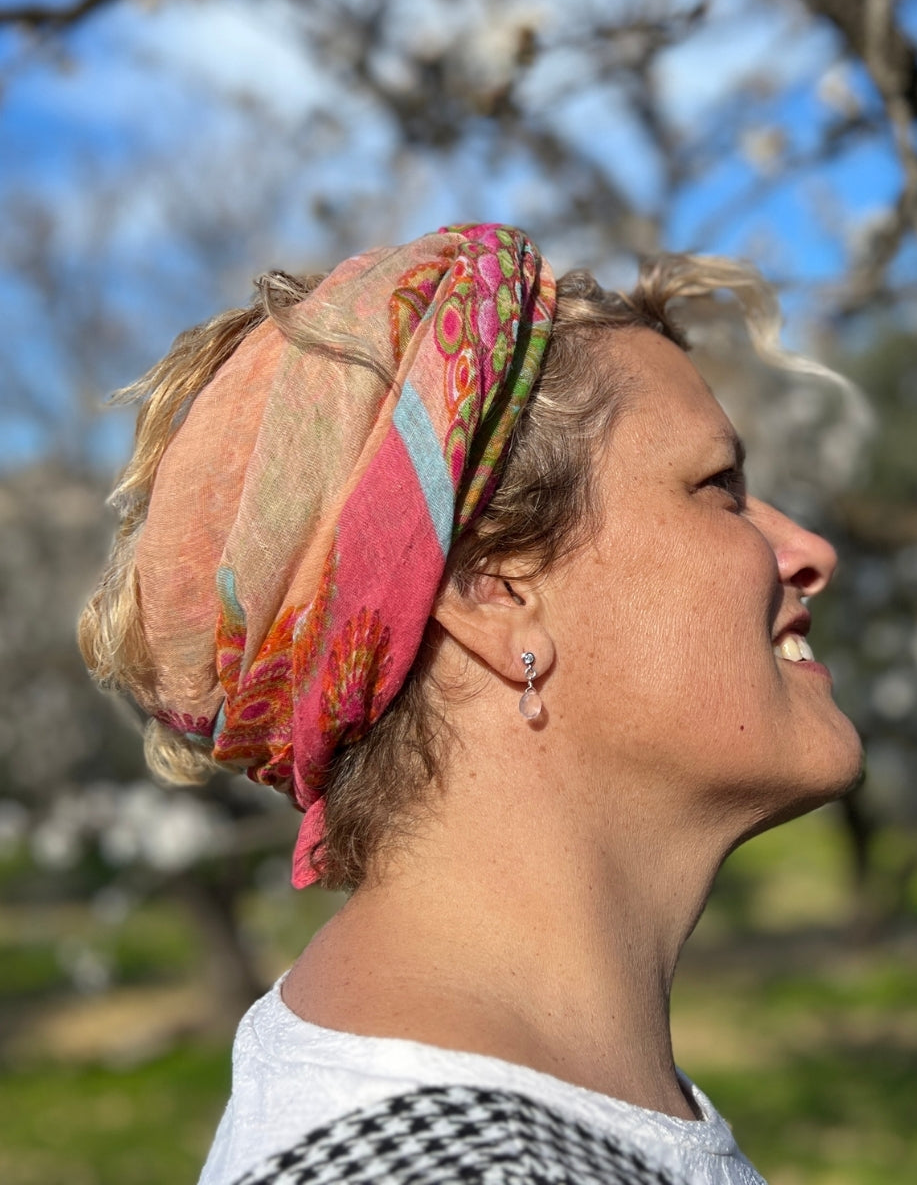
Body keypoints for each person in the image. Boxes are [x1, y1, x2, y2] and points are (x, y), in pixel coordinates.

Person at [79, 223, 862, 1185]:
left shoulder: (520, 1099)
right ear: (491, 589)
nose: (807, 549)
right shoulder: (458, 1165)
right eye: (718, 489)